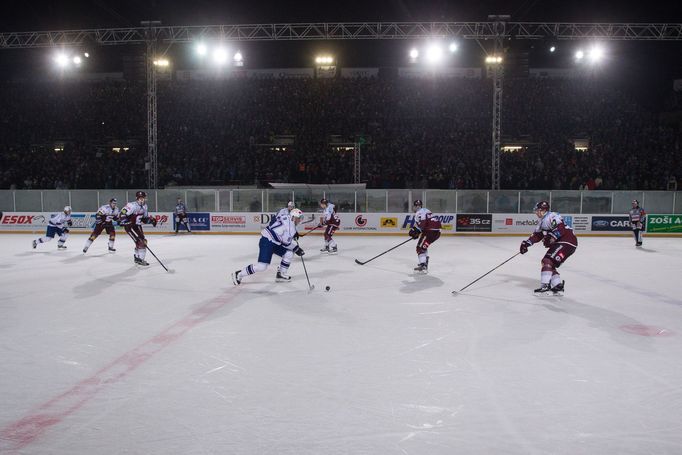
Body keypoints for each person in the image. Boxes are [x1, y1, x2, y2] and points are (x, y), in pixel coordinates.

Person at [232, 208, 305, 285]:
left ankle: (281, 274)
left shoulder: (285, 216)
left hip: (275, 242)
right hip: (267, 242)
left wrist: (294, 234)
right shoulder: (291, 228)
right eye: (298, 218)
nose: (299, 220)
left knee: (288, 254)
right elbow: (286, 243)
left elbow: (275, 220)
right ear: (293, 217)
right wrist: (297, 249)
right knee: (262, 266)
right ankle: (239, 274)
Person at [519, 201, 578, 294]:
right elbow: (537, 235)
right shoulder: (542, 221)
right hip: (565, 243)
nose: (536, 212)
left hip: (566, 241)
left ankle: (545, 286)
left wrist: (551, 237)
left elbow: (560, 228)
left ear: (543, 210)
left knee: (547, 261)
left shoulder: (552, 216)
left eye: (537, 210)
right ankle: (557, 285)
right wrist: (526, 244)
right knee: (548, 263)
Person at [118, 191, 157, 266]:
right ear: (137, 198)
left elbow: (144, 219)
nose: (142, 200)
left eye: (144, 198)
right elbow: (122, 214)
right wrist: (123, 221)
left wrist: (151, 220)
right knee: (140, 242)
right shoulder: (131, 205)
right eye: (141, 198)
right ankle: (140, 259)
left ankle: (137, 257)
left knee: (143, 241)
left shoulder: (145, 206)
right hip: (129, 226)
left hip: (137, 226)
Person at [408, 199, 442, 273]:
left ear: (416, 206)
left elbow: (422, 225)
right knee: (423, 246)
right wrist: (416, 231)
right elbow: (424, 224)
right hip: (437, 232)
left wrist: (415, 232)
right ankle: (424, 262)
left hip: (429, 232)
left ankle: (423, 265)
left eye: (414, 206)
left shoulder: (418, 213)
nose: (413, 208)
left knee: (419, 248)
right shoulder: (427, 210)